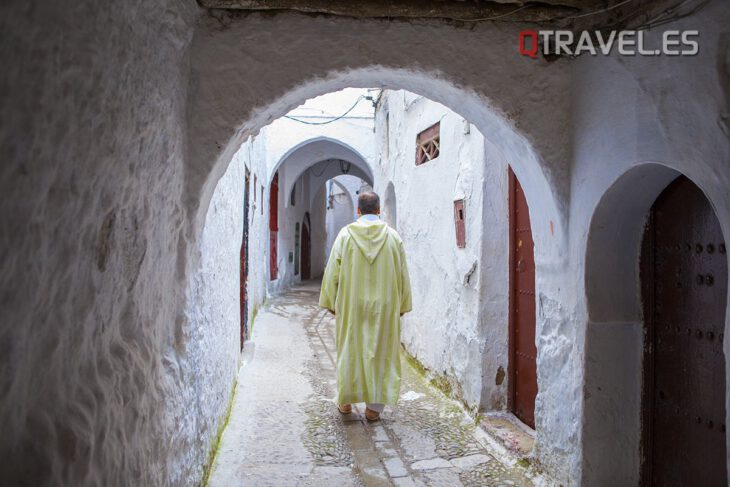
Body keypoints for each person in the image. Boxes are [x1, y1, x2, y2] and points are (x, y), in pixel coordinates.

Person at [319, 191, 412, 421]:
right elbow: (402, 275)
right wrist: (401, 305)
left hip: (352, 304)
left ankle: (346, 402)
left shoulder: (345, 236)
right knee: (381, 353)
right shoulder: (393, 238)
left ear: (358, 211)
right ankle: (373, 410)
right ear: (379, 210)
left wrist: (331, 302)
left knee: (351, 349)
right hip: (384, 306)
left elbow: (333, 271)